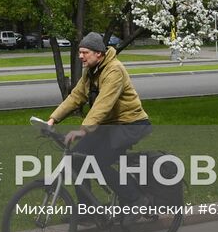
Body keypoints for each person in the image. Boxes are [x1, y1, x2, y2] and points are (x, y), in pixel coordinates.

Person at [46, 32, 151, 207]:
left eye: (84, 52)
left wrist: (82, 130)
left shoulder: (114, 70)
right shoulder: (91, 72)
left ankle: (138, 200)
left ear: (99, 53)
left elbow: (103, 105)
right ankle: (86, 209)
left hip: (129, 124)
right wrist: (52, 120)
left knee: (98, 164)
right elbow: (76, 96)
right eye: (79, 52)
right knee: (76, 160)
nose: (80, 56)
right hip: (108, 125)